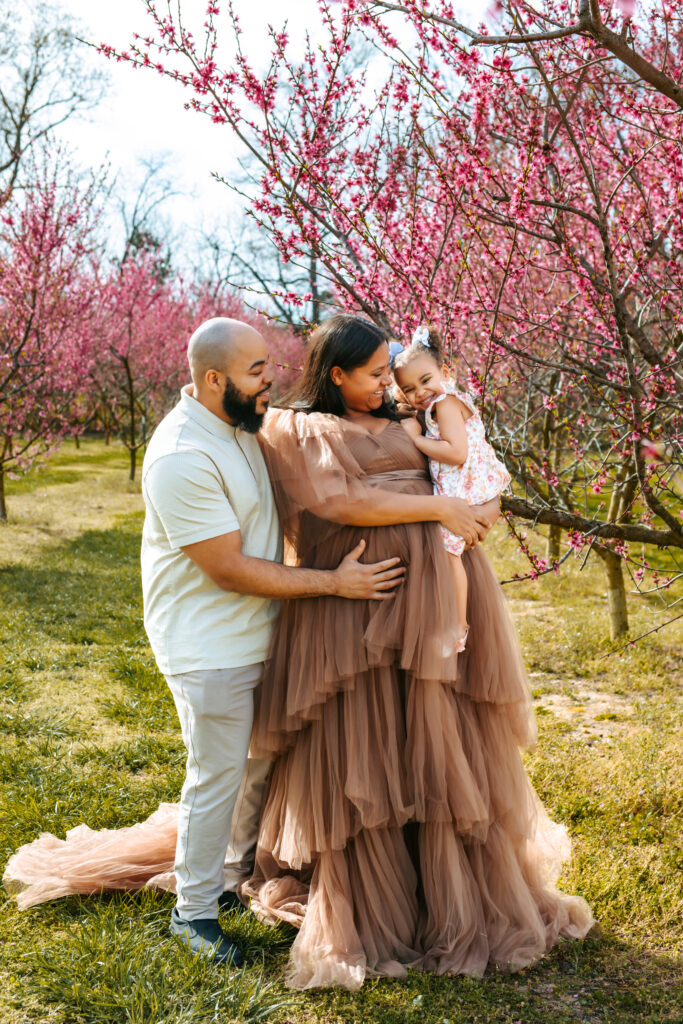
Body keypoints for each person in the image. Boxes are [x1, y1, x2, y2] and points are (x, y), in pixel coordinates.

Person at [4, 317, 418, 967]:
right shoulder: (181, 456)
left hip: (261, 626)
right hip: (209, 643)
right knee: (217, 774)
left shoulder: (239, 422)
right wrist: (333, 583)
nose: (270, 380)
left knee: (255, 762)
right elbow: (227, 567)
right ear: (214, 379)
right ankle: (193, 914)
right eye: (257, 371)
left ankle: (225, 878)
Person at [239, 313, 593, 989]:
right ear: (335, 375)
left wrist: (479, 509)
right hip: (357, 602)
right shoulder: (302, 427)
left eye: (389, 371)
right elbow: (341, 502)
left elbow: (462, 473)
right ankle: (375, 900)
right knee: (364, 742)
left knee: (437, 736)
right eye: (374, 374)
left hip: (440, 597)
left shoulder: (418, 416)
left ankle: (442, 892)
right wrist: (437, 514)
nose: (388, 384)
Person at [392, 324, 511, 652]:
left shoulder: (444, 404)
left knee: (446, 554)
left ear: (445, 372)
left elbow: (457, 453)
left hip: (469, 489)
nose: (420, 392)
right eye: (409, 389)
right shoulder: (439, 404)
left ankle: (458, 626)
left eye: (426, 380)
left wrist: (415, 438)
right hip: (471, 488)